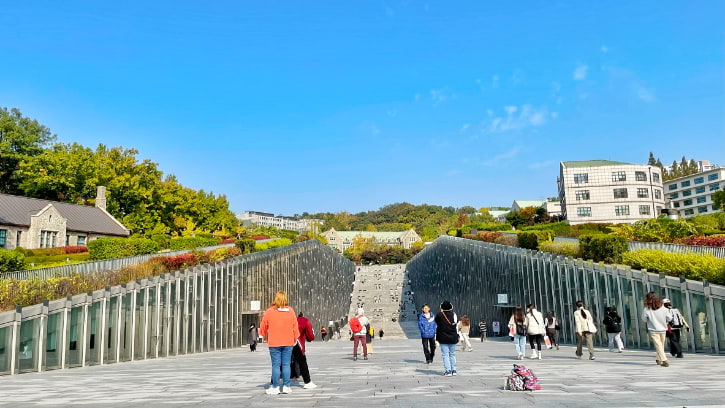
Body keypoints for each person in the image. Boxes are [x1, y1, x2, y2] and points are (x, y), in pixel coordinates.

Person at [259, 291, 300, 395]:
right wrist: (295, 337)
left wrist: (262, 334)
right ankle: (286, 386)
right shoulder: (290, 311)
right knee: (286, 364)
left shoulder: (270, 311)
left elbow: (264, 324)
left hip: (274, 342)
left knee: (276, 365)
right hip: (288, 341)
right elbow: (295, 325)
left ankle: (276, 386)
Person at [642, 292, 673, 367]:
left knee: (659, 345)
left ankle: (664, 360)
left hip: (653, 329)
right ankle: (659, 359)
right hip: (663, 328)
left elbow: (644, 319)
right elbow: (669, 318)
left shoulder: (647, 309)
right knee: (661, 345)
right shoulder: (664, 308)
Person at [290, 312, 317, 389]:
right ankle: (307, 381)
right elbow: (310, 335)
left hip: (283, 342)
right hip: (297, 342)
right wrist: (309, 338)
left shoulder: (286, 318)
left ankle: (275, 382)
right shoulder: (304, 321)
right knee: (302, 361)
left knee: (280, 362)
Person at [435, 300, 459, 376]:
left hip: (443, 337)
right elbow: (455, 323)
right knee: (452, 354)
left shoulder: (439, 315)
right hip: (452, 336)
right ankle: (454, 370)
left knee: (445, 355)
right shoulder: (454, 314)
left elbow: (436, 323)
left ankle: (448, 371)